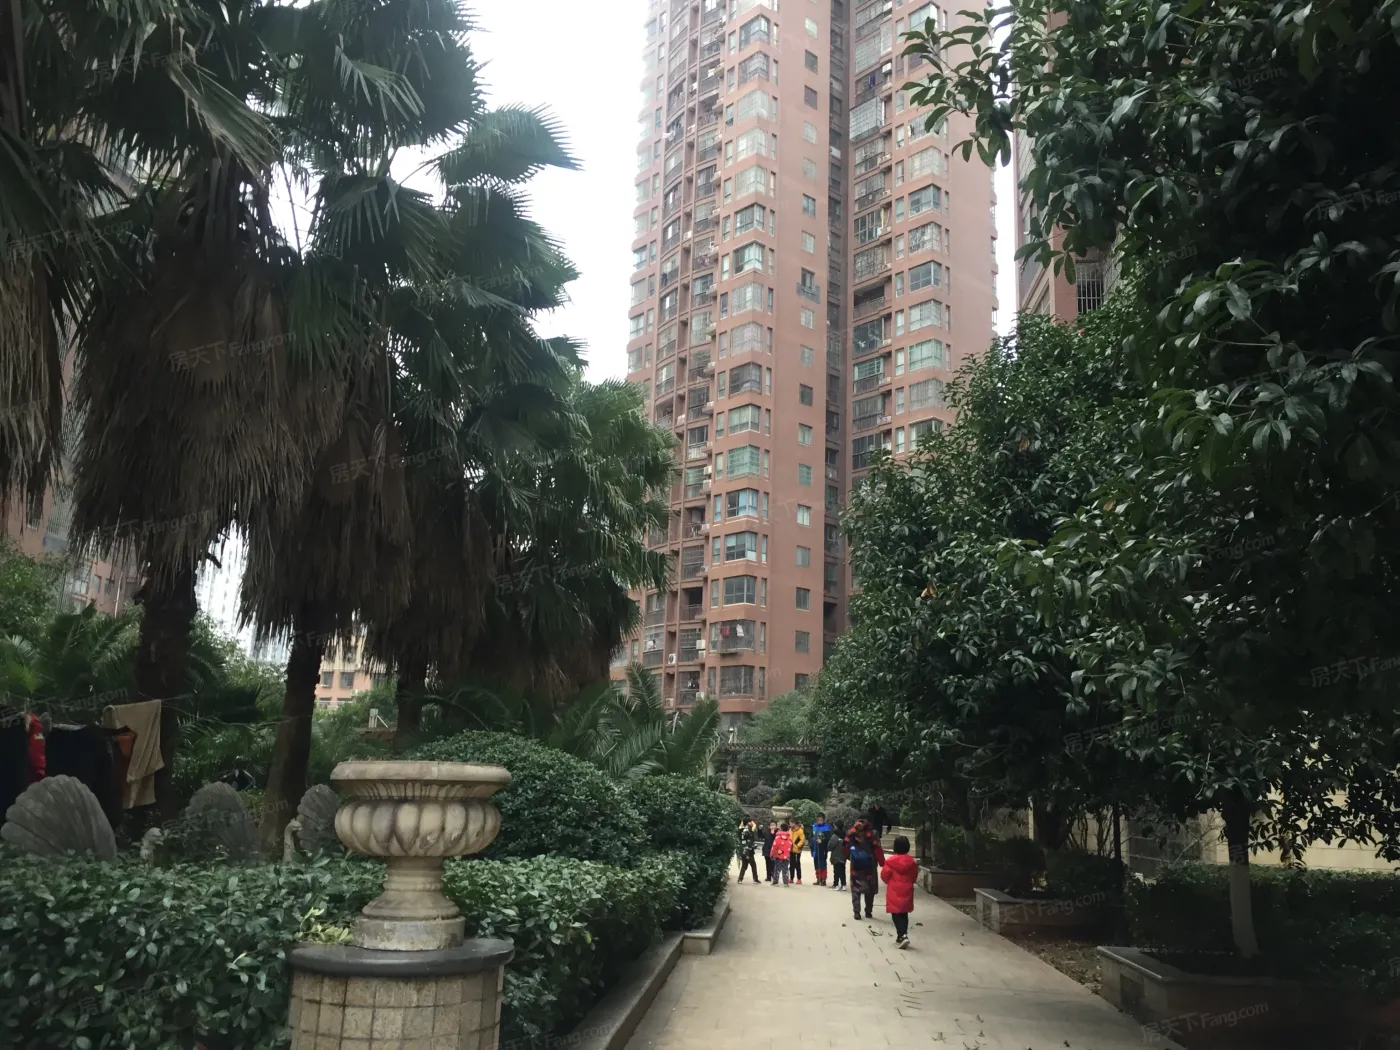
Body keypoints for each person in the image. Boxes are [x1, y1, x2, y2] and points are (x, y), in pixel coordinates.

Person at [881, 834, 919, 948]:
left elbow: (885, 875)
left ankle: (902, 935)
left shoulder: (890, 861)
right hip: (907, 889)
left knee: (895, 913)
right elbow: (914, 875)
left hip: (894, 889)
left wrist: (889, 882)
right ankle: (902, 935)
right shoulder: (911, 862)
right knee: (904, 913)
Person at [845, 818, 885, 919]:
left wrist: (851, 857)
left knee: (856, 888)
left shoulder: (851, 833)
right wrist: (882, 862)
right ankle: (868, 911)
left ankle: (856, 912)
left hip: (856, 864)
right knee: (870, 888)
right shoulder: (873, 833)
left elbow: (845, 847)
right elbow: (878, 849)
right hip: (870, 864)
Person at [810, 812, 832, 885]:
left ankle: (823, 879)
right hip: (815, 848)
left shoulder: (826, 828)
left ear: (824, 820)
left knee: (822, 864)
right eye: (818, 820)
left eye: (821, 820)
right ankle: (818, 878)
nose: (819, 821)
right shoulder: (814, 826)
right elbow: (810, 836)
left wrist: (822, 841)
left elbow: (828, 838)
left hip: (822, 849)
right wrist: (811, 842)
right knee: (816, 863)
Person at [737, 819, 761, 883]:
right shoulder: (750, 830)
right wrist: (752, 822)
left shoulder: (740, 830)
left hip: (743, 850)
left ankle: (740, 879)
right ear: (748, 823)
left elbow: (740, 828)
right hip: (749, 850)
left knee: (744, 865)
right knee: (753, 865)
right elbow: (754, 826)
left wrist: (742, 823)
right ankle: (755, 879)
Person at [770, 821, 793, 886]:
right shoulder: (789, 838)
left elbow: (774, 846)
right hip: (786, 856)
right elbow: (790, 846)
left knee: (777, 869)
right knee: (785, 869)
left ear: (781, 829)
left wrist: (772, 854)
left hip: (779, 855)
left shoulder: (778, 837)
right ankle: (785, 882)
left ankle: (775, 882)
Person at [827, 822, 847, 890]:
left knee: (836, 871)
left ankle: (836, 885)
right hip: (843, 856)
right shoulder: (845, 835)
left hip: (836, 856)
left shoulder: (834, 836)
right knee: (842, 870)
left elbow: (829, 846)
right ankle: (843, 885)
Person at [788, 819, 806, 884]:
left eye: (790, 823)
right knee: (791, 864)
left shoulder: (800, 831)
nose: (790, 824)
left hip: (797, 851)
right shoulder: (790, 830)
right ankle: (791, 878)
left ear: (794, 823)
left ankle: (799, 878)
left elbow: (802, 840)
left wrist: (798, 846)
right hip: (791, 850)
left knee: (797, 864)